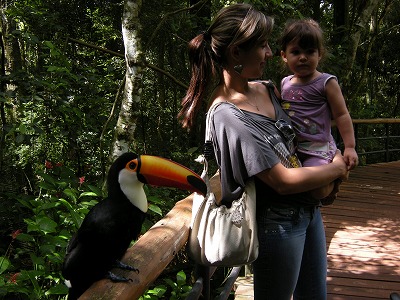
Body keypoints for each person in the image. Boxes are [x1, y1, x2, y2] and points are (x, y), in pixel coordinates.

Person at [179, 3, 348, 299]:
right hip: (278, 225)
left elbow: (302, 136)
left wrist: (331, 156)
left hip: (309, 212)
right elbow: (281, 181)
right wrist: (337, 166)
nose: (271, 53)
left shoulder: (267, 88)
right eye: (263, 45)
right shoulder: (228, 115)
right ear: (236, 54)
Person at [280, 19, 358, 199]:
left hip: (318, 147)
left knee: (316, 191)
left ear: (319, 54)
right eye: (296, 52)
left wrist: (350, 147)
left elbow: (341, 114)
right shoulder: (285, 83)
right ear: (284, 55)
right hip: (293, 148)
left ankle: (336, 166)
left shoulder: (326, 82)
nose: (303, 57)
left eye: (310, 52)